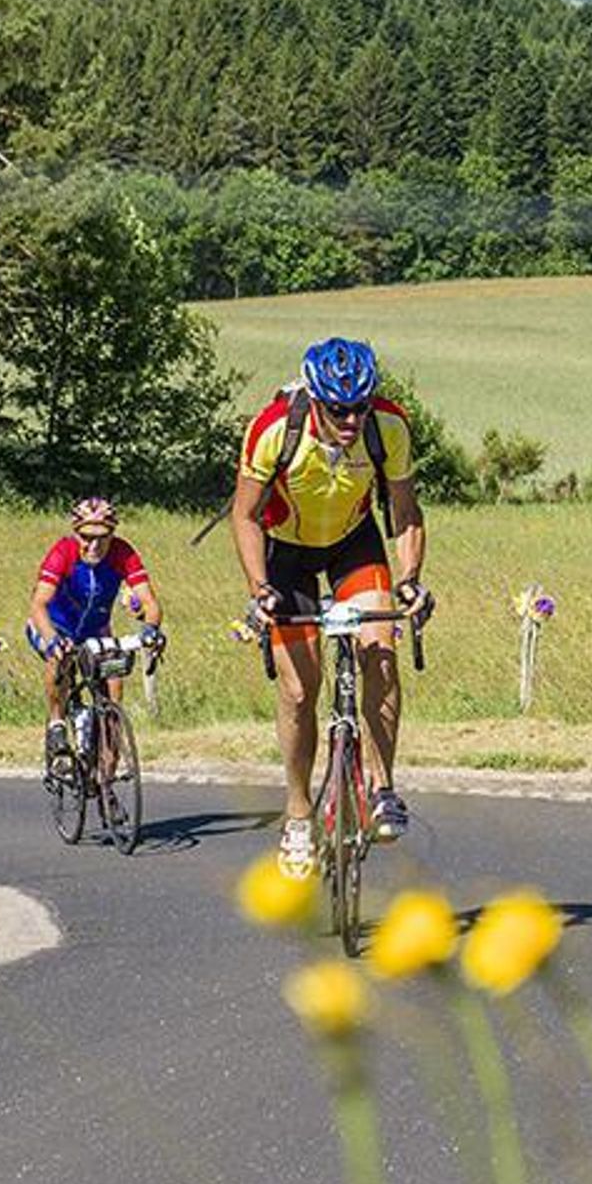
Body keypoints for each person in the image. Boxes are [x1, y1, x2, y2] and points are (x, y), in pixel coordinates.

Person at [229, 336, 433, 878]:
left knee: (380, 655)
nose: (350, 419)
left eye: (359, 407)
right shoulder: (274, 429)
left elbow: (406, 513)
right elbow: (244, 516)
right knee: (299, 692)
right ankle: (298, 814)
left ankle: (382, 787)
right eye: (338, 409)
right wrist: (258, 589)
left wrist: (410, 580)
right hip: (287, 552)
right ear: (314, 400)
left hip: (353, 543)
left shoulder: (387, 427)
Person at [28, 497, 164, 781]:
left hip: (96, 632)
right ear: (75, 532)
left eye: (102, 538)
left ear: (112, 534)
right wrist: (52, 638)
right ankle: (56, 725)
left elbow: (150, 602)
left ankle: (105, 782)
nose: (94, 546)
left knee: (113, 701)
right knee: (60, 658)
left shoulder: (122, 553)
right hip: (53, 628)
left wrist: (151, 629)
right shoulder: (62, 552)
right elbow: (38, 604)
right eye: (86, 537)